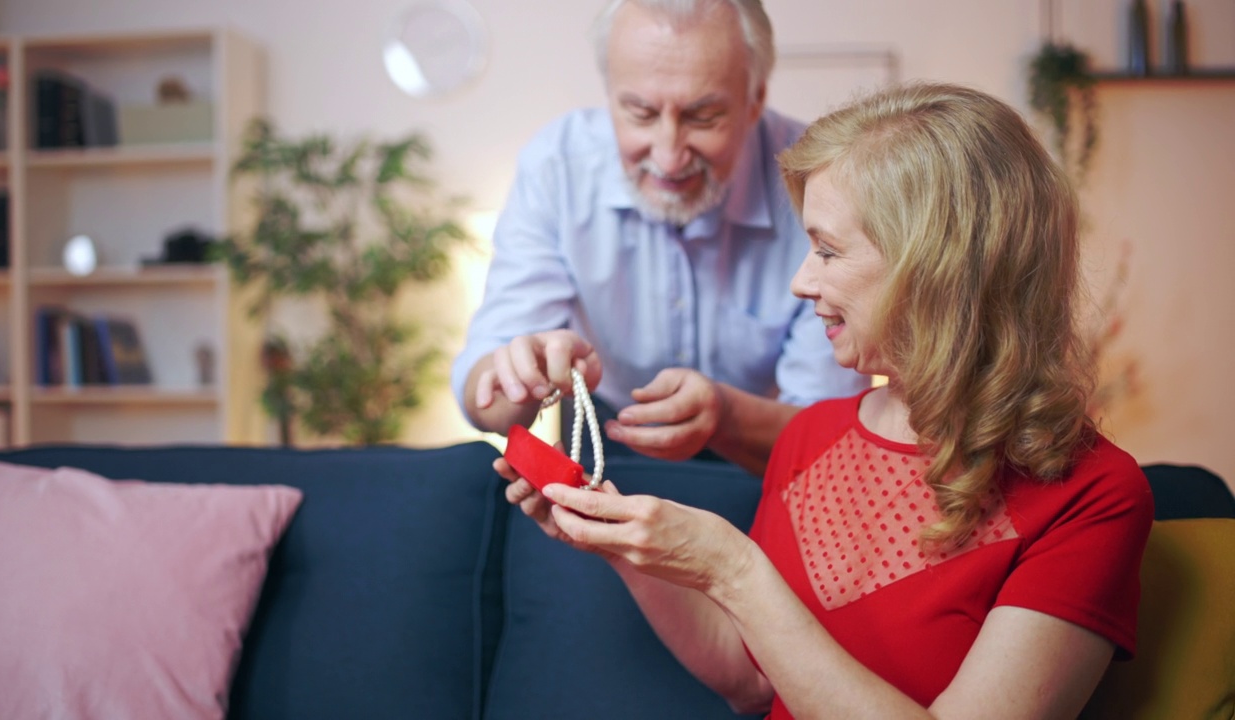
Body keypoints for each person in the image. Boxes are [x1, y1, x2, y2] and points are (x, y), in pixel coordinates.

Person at [495, 81, 1155, 717]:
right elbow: (753, 681)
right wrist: (621, 541)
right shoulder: (812, 436)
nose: (800, 282)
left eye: (828, 251)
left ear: (937, 272)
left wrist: (733, 570)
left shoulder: (1094, 496)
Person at [451, 0, 869, 474]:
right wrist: (516, 377)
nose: (669, 158)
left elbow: (829, 432)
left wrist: (725, 416)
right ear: (609, 97)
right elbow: (483, 395)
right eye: (641, 114)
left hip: (770, 451)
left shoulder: (819, 184)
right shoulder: (556, 167)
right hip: (607, 447)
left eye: (703, 117)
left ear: (756, 100)